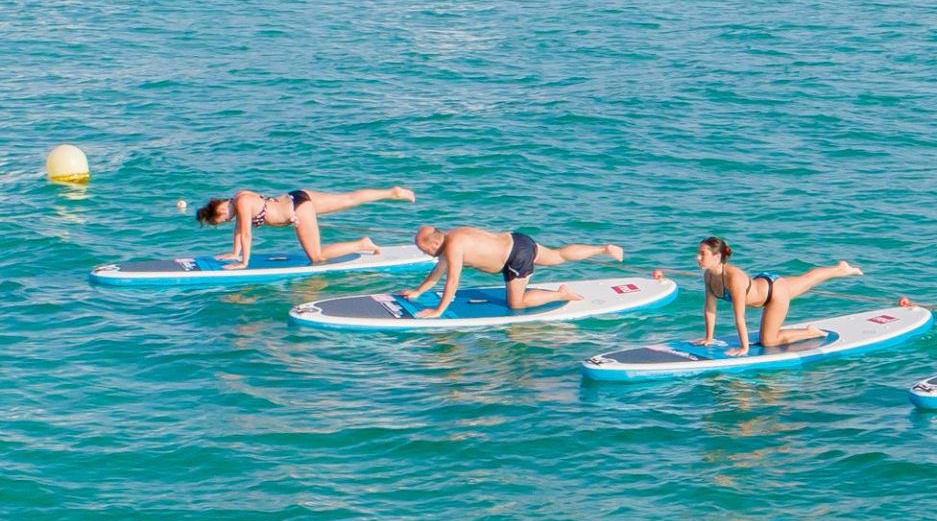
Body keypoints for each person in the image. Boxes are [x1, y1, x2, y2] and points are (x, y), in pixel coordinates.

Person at [401, 226, 623, 319]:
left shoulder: (453, 248)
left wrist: (439, 310)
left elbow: (452, 282)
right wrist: (418, 292)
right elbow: (438, 271)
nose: (423, 252)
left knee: (516, 304)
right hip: (517, 240)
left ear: (433, 244)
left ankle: (561, 294)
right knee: (558, 256)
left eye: (422, 248)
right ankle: (604, 249)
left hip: (515, 258)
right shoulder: (452, 236)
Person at [694, 237, 862, 356]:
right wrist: (708, 338)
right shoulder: (708, 276)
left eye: (703, 254)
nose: (698, 257)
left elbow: (740, 317)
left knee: (768, 341)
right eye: (698, 253)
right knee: (807, 279)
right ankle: (841, 269)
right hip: (767, 283)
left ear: (717, 256)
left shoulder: (734, 277)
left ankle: (809, 332)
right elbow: (710, 310)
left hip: (774, 294)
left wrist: (744, 348)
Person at [196, 185, 415, 268]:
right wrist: (234, 252)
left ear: (222, 211)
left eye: (223, 221)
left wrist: (243, 262)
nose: (227, 222)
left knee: (317, 257)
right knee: (347, 198)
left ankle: (362, 243)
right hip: (297, 196)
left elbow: (245, 234)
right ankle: (391, 193)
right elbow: (239, 230)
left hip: (298, 211)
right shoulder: (239, 195)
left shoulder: (242, 205)